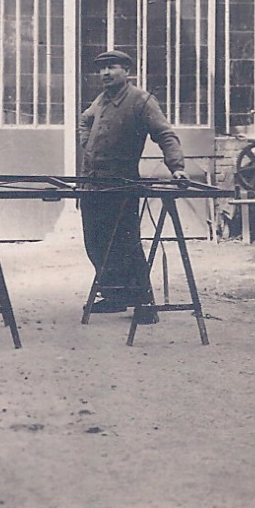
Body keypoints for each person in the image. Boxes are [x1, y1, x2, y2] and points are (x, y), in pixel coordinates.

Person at [77, 49, 187, 325]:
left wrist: (177, 168)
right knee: (96, 242)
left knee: (126, 243)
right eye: (101, 68)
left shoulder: (141, 100)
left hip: (122, 183)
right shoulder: (101, 100)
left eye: (112, 67)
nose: (105, 73)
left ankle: (144, 302)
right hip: (92, 183)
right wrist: (86, 141)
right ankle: (114, 295)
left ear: (127, 70)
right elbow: (85, 119)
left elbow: (165, 134)